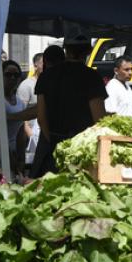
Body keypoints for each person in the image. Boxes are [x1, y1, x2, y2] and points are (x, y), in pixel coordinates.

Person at [32, 40, 106, 176]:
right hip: (82, 150)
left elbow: (41, 118)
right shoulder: (92, 77)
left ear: (66, 49)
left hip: (54, 148)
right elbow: (99, 120)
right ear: (89, 50)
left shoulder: (46, 76)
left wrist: (53, 142)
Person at [0, 60, 28, 171]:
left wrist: (22, 159)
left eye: (16, 75)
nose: (12, 78)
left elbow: (21, 132)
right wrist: (9, 158)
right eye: (8, 75)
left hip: (14, 152)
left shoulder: (20, 102)